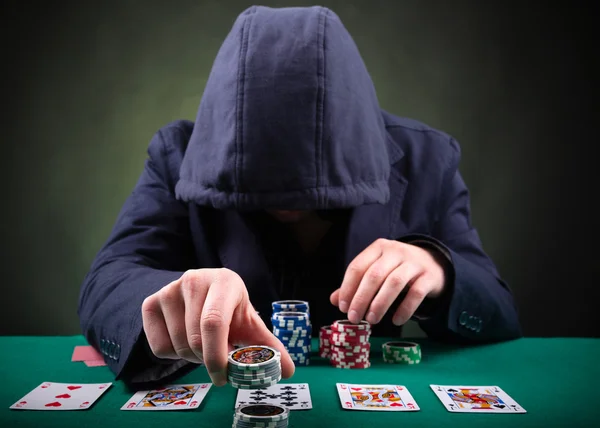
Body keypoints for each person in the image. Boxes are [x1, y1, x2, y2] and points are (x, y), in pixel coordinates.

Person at [77, 5, 522, 388]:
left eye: (311, 189)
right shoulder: (176, 157)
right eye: (262, 188)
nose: (288, 207)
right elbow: (107, 282)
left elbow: (500, 308)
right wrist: (175, 295)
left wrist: (438, 269)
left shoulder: (429, 159)